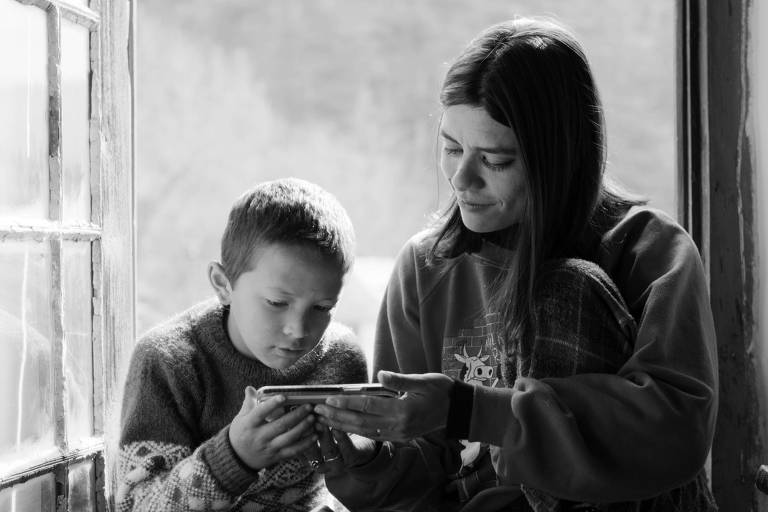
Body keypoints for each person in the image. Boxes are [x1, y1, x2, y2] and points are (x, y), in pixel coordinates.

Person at [311, 17, 719, 512]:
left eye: (495, 160)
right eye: (451, 147)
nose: (462, 179)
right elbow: (424, 469)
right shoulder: (427, 266)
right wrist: (367, 461)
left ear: (557, 157)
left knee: (567, 286)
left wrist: (471, 409)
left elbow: (674, 432)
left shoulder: (649, 250)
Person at [116, 178, 368, 511]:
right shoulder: (168, 361)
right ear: (223, 284)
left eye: (322, 308)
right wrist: (234, 458)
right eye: (277, 303)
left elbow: (358, 488)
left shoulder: (341, 357)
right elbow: (136, 504)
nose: (298, 329)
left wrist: (366, 455)